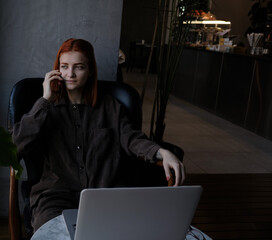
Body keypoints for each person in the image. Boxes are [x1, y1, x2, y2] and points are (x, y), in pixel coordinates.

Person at [12, 38, 185, 233]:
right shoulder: (45, 109)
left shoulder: (111, 107)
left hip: (105, 194)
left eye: (79, 67)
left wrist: (162, 152)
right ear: (56, 69)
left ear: (90, 70)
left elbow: (132, 139)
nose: (70, 74)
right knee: (54, 234)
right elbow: (13, 147)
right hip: (55, 197)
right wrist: (44, 101)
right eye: (64, 66)